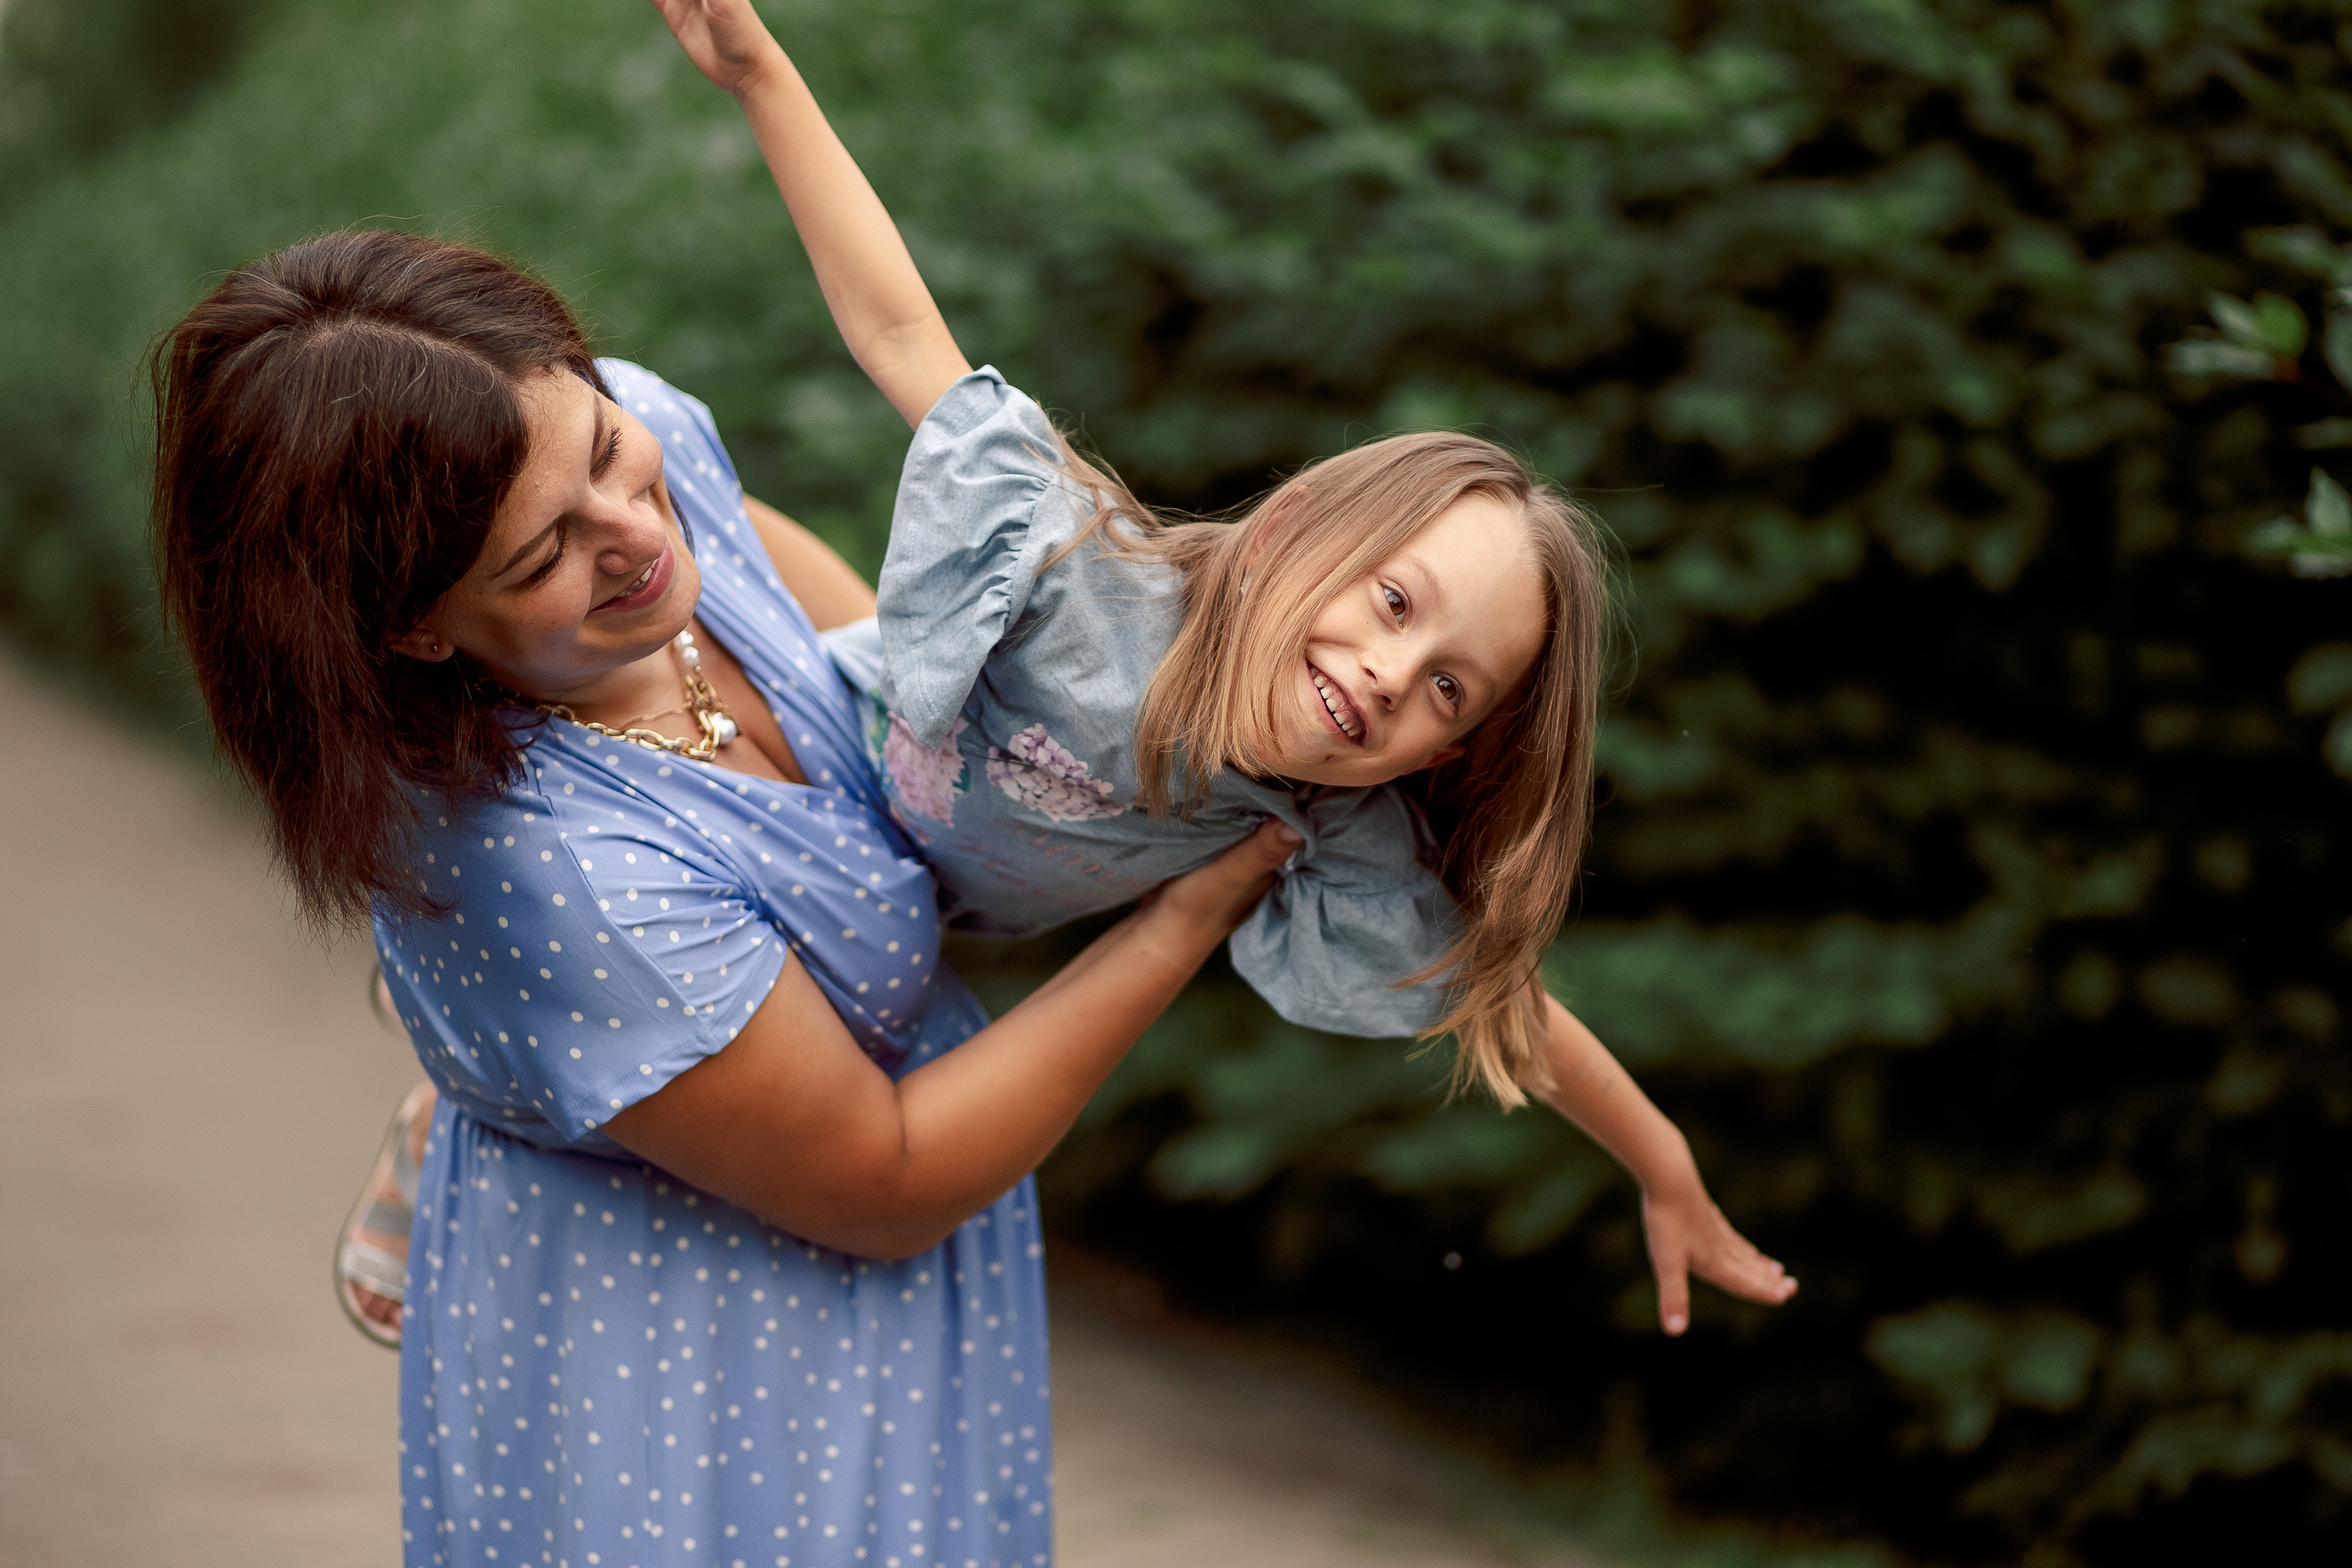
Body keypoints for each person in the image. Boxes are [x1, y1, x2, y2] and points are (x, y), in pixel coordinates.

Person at [153, 224, 1303, 1568]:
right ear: (415, 626)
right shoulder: (546, 872)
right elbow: (886, 1179)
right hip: (700, 1364)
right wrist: (1186, 914)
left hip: (879, 1292)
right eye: (540, 561)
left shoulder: (644, 437)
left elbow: (887, 719)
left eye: (603, 451)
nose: (637, 532)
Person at [649, 0, 1796, 1335]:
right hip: (796, 720)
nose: (1387, 670)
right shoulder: (1079, 564)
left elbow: (1507, 1008)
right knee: (648, 499)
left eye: (1447, 688)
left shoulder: (1311, 821)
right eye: (1391, 601)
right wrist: (761, 75)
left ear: (1445, 754)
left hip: (901, 850)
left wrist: (1660, 1162)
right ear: (1300, 528)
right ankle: (444, 1075)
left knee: (857, 950)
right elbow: (904, 334)